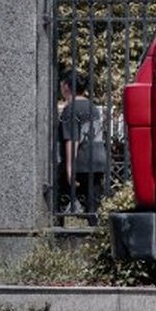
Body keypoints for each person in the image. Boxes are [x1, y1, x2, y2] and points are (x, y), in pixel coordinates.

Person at [58, 73, 109, 222]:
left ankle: (57, 230)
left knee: (59, 198)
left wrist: (69, 169)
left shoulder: (71, 109)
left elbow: (72, 141)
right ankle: (96, 234)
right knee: (93, 205)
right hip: (98, 158)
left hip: (82, 161)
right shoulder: (91, 106)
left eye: (62, 84)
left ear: (66, 86)